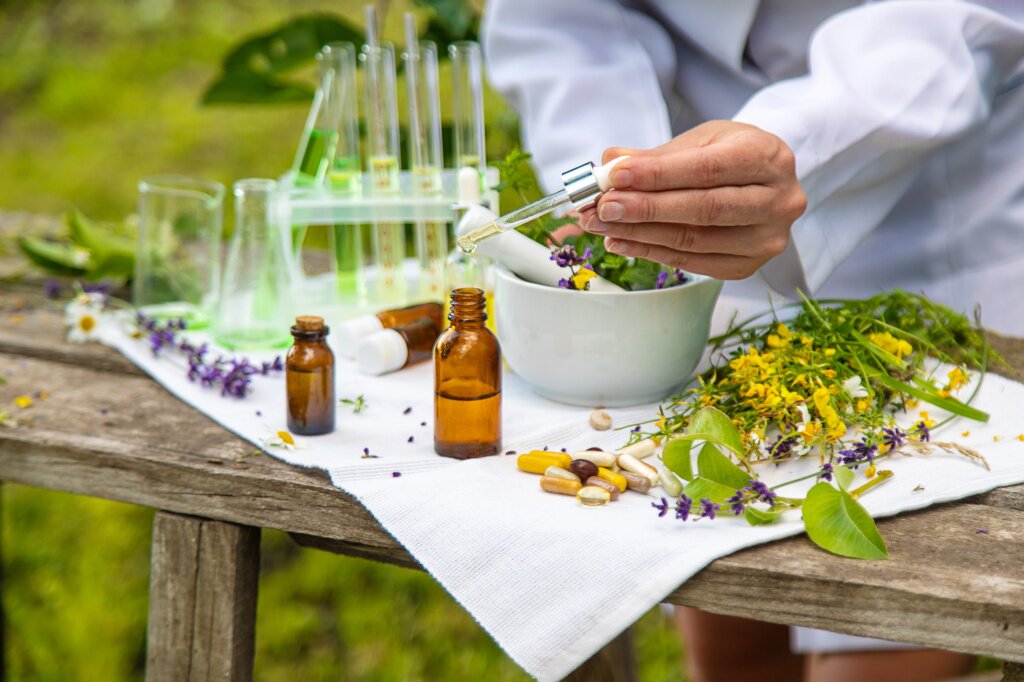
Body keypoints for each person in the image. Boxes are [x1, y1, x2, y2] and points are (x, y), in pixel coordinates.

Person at [482, 1, 1024, 680]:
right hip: (702, 242)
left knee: (883, 637)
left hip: (924, 196)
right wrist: (624, 174)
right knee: (729, 620)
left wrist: (799, 141)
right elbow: (564, 18)